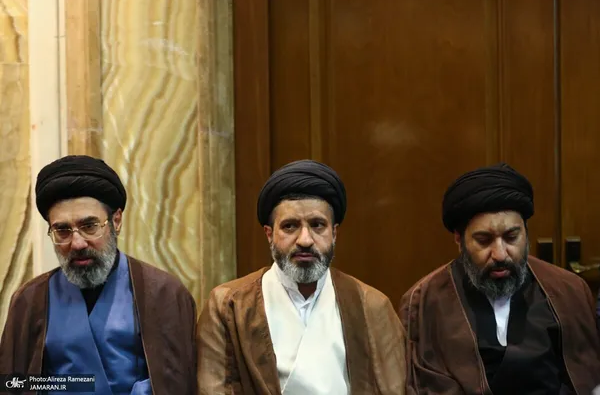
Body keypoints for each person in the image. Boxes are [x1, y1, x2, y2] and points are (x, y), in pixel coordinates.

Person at [197, 159, 406, 394]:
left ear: (334, 233)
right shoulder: (228, 305)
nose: (305, 240)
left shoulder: (372, 306)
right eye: (290, 226)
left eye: (317, 225)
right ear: (269, 234)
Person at [0, 155, 197, 394]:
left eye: (89, 226)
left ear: (116, 221)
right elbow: (14, 384)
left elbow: (178, 382)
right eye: (62, 230)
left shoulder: (164, 293)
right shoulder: (29, 300)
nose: (77, 243)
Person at [400, 163, 600, 394]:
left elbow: (585, 374)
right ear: (459, 239)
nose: (500, 254)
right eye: (484, 240)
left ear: (526, 233)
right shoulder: (424, 300)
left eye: (511, 237)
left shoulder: (569, 289)